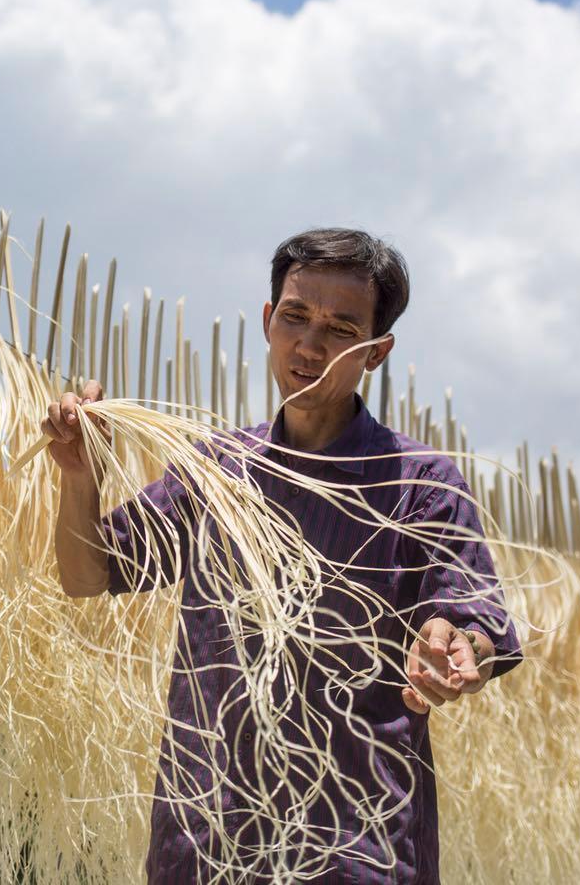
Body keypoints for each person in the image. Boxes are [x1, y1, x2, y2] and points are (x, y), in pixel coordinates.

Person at [46, 227, 521, 884]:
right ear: (268, 321)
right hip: (205, 847)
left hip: (358, 852)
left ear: (376, 352)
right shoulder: (216, 473)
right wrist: (79, 475)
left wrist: (460, 653)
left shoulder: (419, 483)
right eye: (295, 317)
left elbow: (476, 624)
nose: (310, 345)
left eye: (340, 328)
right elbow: (86, 573)